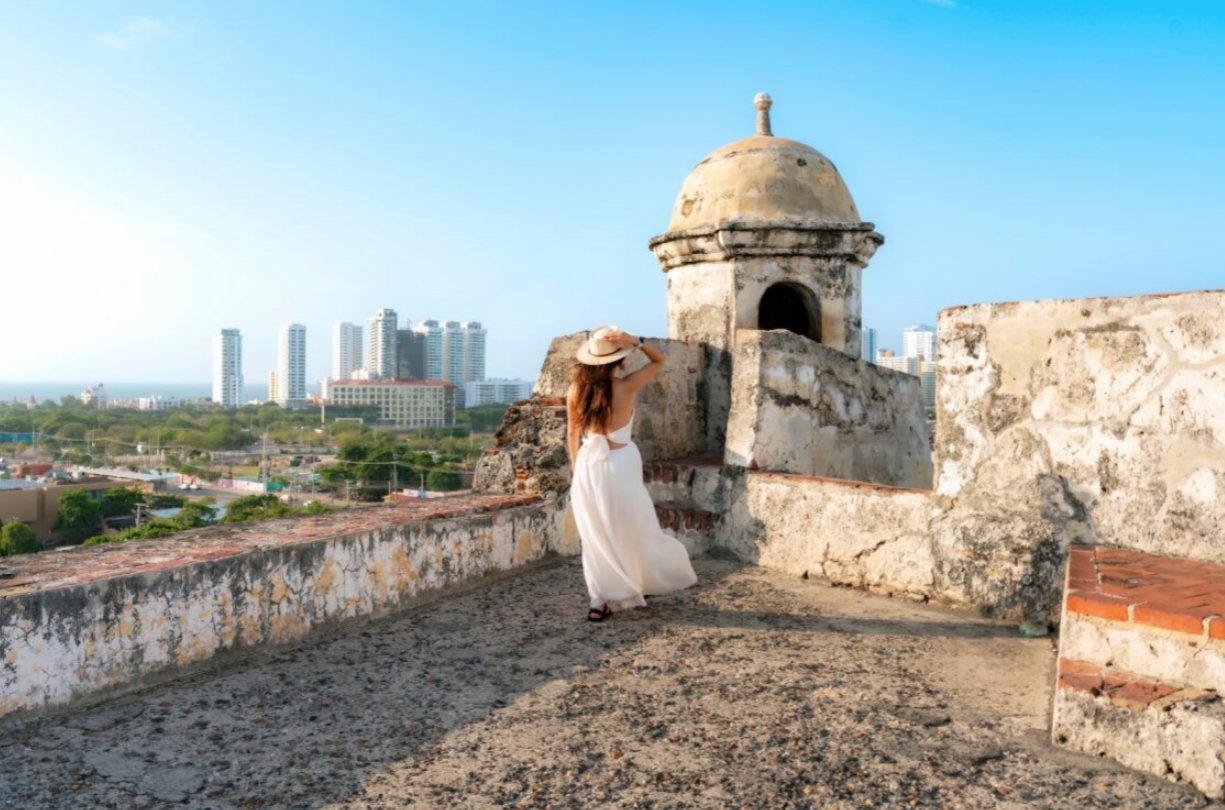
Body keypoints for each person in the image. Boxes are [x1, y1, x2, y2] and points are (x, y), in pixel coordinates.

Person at [566, 326, 698, 622]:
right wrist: (635, 342)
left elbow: (573, 432)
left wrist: (578, 470)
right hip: (622, 462)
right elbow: (660, 360)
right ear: (619, 360)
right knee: (631, 525)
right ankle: (636, 581)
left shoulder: (576, 390)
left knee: (596, 534)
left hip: (589, 463)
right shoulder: (627, 386)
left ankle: (598, 600)